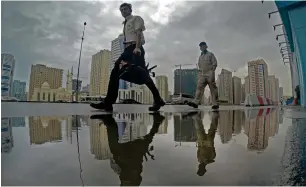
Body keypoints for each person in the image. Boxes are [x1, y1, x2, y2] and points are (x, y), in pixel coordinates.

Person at [90, 3, 165, 112]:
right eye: (121, 10)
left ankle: (158, 99)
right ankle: (108, 103)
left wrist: (138, 47)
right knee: (116, 70)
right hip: (127, 50)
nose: (123, 11)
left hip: (135, 48)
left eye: (125, 9)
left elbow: (139, 33)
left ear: (130, 10)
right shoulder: (125, 24)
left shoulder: (136, 18)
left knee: (142, 74)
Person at [90, 113, 165, 186]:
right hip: (133, 153)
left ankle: (109, 122)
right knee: (147, 139)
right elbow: (133, 170)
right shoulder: (134, 176)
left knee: (147, 139)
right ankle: (157, 121)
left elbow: (123, 167)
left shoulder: (126, 175)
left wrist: (118, 159)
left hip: (127, 153)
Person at [187, 42, 219, 110]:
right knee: (199, 88)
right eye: (200, 46)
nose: (201, 47)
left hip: (209, 73)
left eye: (202, 46)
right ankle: (196, 102)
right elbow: (199, 66)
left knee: (213, 89)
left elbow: (215, 63)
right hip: (202, 75)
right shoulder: (200, 56)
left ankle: (215, 103)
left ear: (206, 46)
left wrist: (212, 71)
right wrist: (200, 74)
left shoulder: (210, 54)